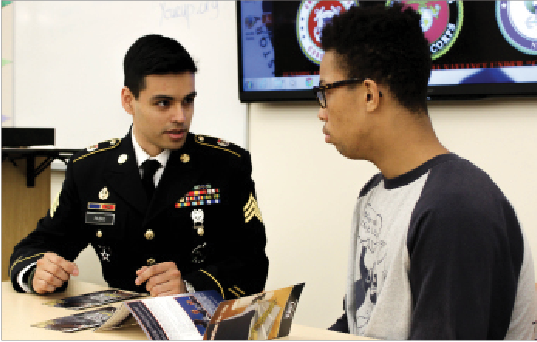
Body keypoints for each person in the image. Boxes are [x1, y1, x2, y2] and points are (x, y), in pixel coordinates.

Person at [313, 3, 535, 340]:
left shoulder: (453, 209)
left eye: (325, 92)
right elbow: (359, 323)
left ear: (370, 95)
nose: (321, 111)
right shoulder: (373, 194)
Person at [9, 34, 269, 299]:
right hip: (123, 331)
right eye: (163, 103)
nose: (180, 116)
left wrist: (190, 286)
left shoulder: (225, 165)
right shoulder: (90, 169)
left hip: (200, 329)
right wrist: (37, 272)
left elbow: (253, 265)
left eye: (188, 101)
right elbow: (36, 246)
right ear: (128, 100)